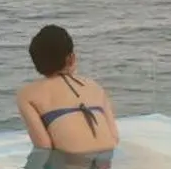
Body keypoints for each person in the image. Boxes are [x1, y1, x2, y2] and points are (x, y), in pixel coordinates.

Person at [16, 24, 119, 154]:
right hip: (107, 160)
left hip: (72, 165)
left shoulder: (27, 95)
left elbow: (44, 146)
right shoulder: (95, 87)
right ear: (71, 58)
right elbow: (114, 137)